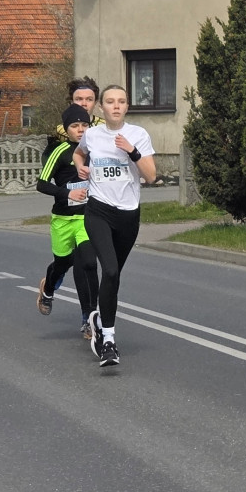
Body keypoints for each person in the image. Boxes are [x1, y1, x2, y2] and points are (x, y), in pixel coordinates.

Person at [73, 85, 156, 367]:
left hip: (128, 215)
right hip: (98, 211)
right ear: (101, 107)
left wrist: (131, 151)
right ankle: (108, 339)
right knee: (107, 269)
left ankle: (98, 318)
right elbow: (79, 153)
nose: (116, 106)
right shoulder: (92, 134)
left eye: (121, 101)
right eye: (110, 101)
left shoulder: (138, 135)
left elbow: (151, 176)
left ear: (127, 106)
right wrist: (79, 167)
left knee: (113, 277)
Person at [36, 104, 99, 338]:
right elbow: (41, 184)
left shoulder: (96, 150)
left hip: (88, 218)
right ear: (66, 129)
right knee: (62, 264)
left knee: (88, 264)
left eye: (85, 125)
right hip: (63, 219)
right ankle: (48, 288)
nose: (81, 130)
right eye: (75, 126)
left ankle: (89, 319)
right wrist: (67, 193)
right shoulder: (60, 151)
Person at [54, 77, 104, 142]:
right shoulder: (61, 130)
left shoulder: (104, 126)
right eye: (79, 99)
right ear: (72, 102)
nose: (84, 104)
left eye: (89, 99)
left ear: (95, 103)